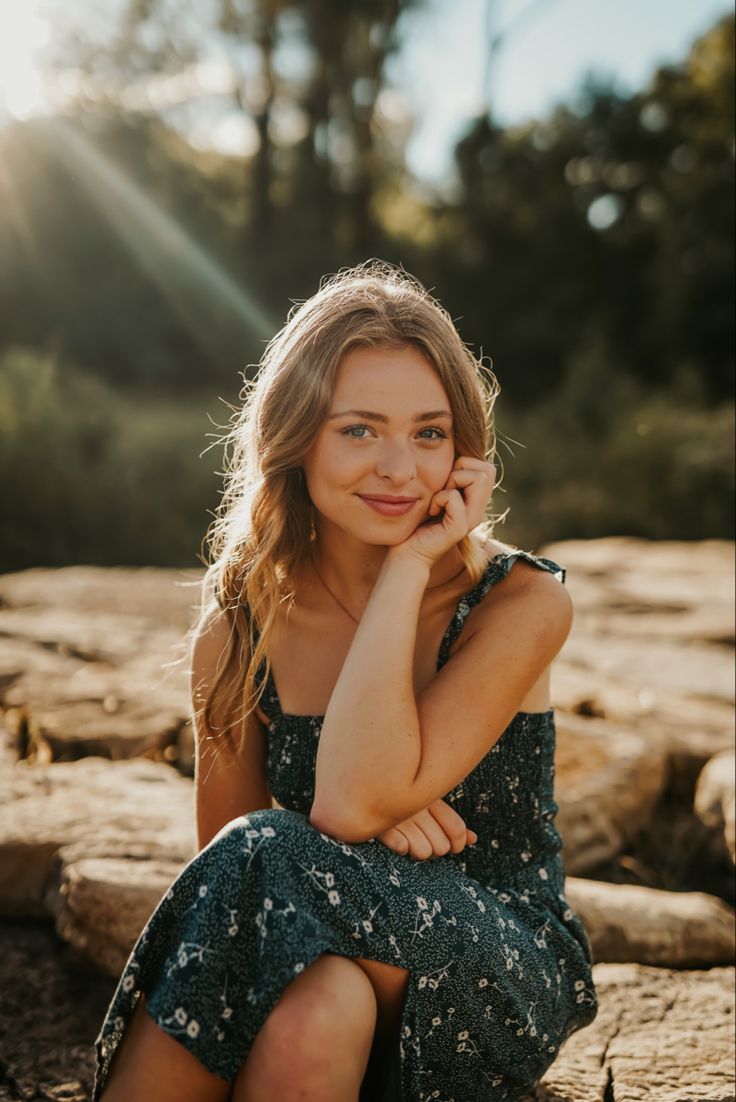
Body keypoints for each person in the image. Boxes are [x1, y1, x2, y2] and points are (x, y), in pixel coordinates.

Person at [93, 260, 598, 1102]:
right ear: (297, 438)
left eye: (429, 434)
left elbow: (337, 811)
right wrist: (373, 810)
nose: (400, 469)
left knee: (271, 848)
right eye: (360, 430)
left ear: (463, 449)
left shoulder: (521, 602)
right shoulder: (241, 628)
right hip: (328, 967)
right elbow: (233, 884)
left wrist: (411, 567)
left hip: (497, 964)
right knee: (311, 1011)